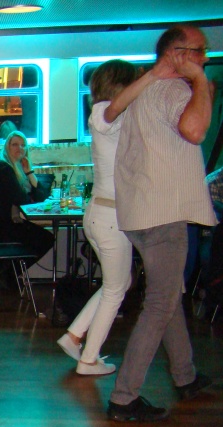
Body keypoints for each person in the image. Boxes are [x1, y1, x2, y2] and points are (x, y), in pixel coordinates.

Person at [108, 25, 217, 422]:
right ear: (177, 53)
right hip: (164, 214)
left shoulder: (142, 91)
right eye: (199, 51)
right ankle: (124, 398)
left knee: (169, 295)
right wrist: (200, 82)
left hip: (140, 213)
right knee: (160, 303)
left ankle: (185, 375)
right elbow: (195, 130)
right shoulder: (174, 91)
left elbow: (110, 111)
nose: (205, 57)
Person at [56, 59, 174, 376]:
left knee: (119, 283)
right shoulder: (102, 113)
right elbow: (114, 113)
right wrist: (152, 76)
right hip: (109, 217)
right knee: (115, 290)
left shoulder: (115, 116)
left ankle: (74, 335)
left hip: (104, 214)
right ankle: (88, 359)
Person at [0, 130, 54, 285]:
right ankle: (8, 273)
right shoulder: (3, 168)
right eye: (14, 144)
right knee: (46, 239)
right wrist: (31, 195)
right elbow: (23, 200)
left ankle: (7, 270)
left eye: (23, 145)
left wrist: (29, 172)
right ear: (7, 147)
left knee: (42, 237)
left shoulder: (14, 168)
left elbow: (40, 197)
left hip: (2, 225)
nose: (19, 148)